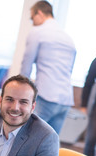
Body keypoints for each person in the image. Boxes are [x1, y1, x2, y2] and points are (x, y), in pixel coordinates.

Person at [20, 0, 76, 134]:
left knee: (27, 138)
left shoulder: (37, 32)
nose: (32, 22)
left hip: (46, 97)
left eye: (32, 18)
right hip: (65, 99)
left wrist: (20, 92)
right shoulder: (68, 38)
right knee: (50, 146)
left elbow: (26, 64)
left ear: (39, 13)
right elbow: (70, 69)